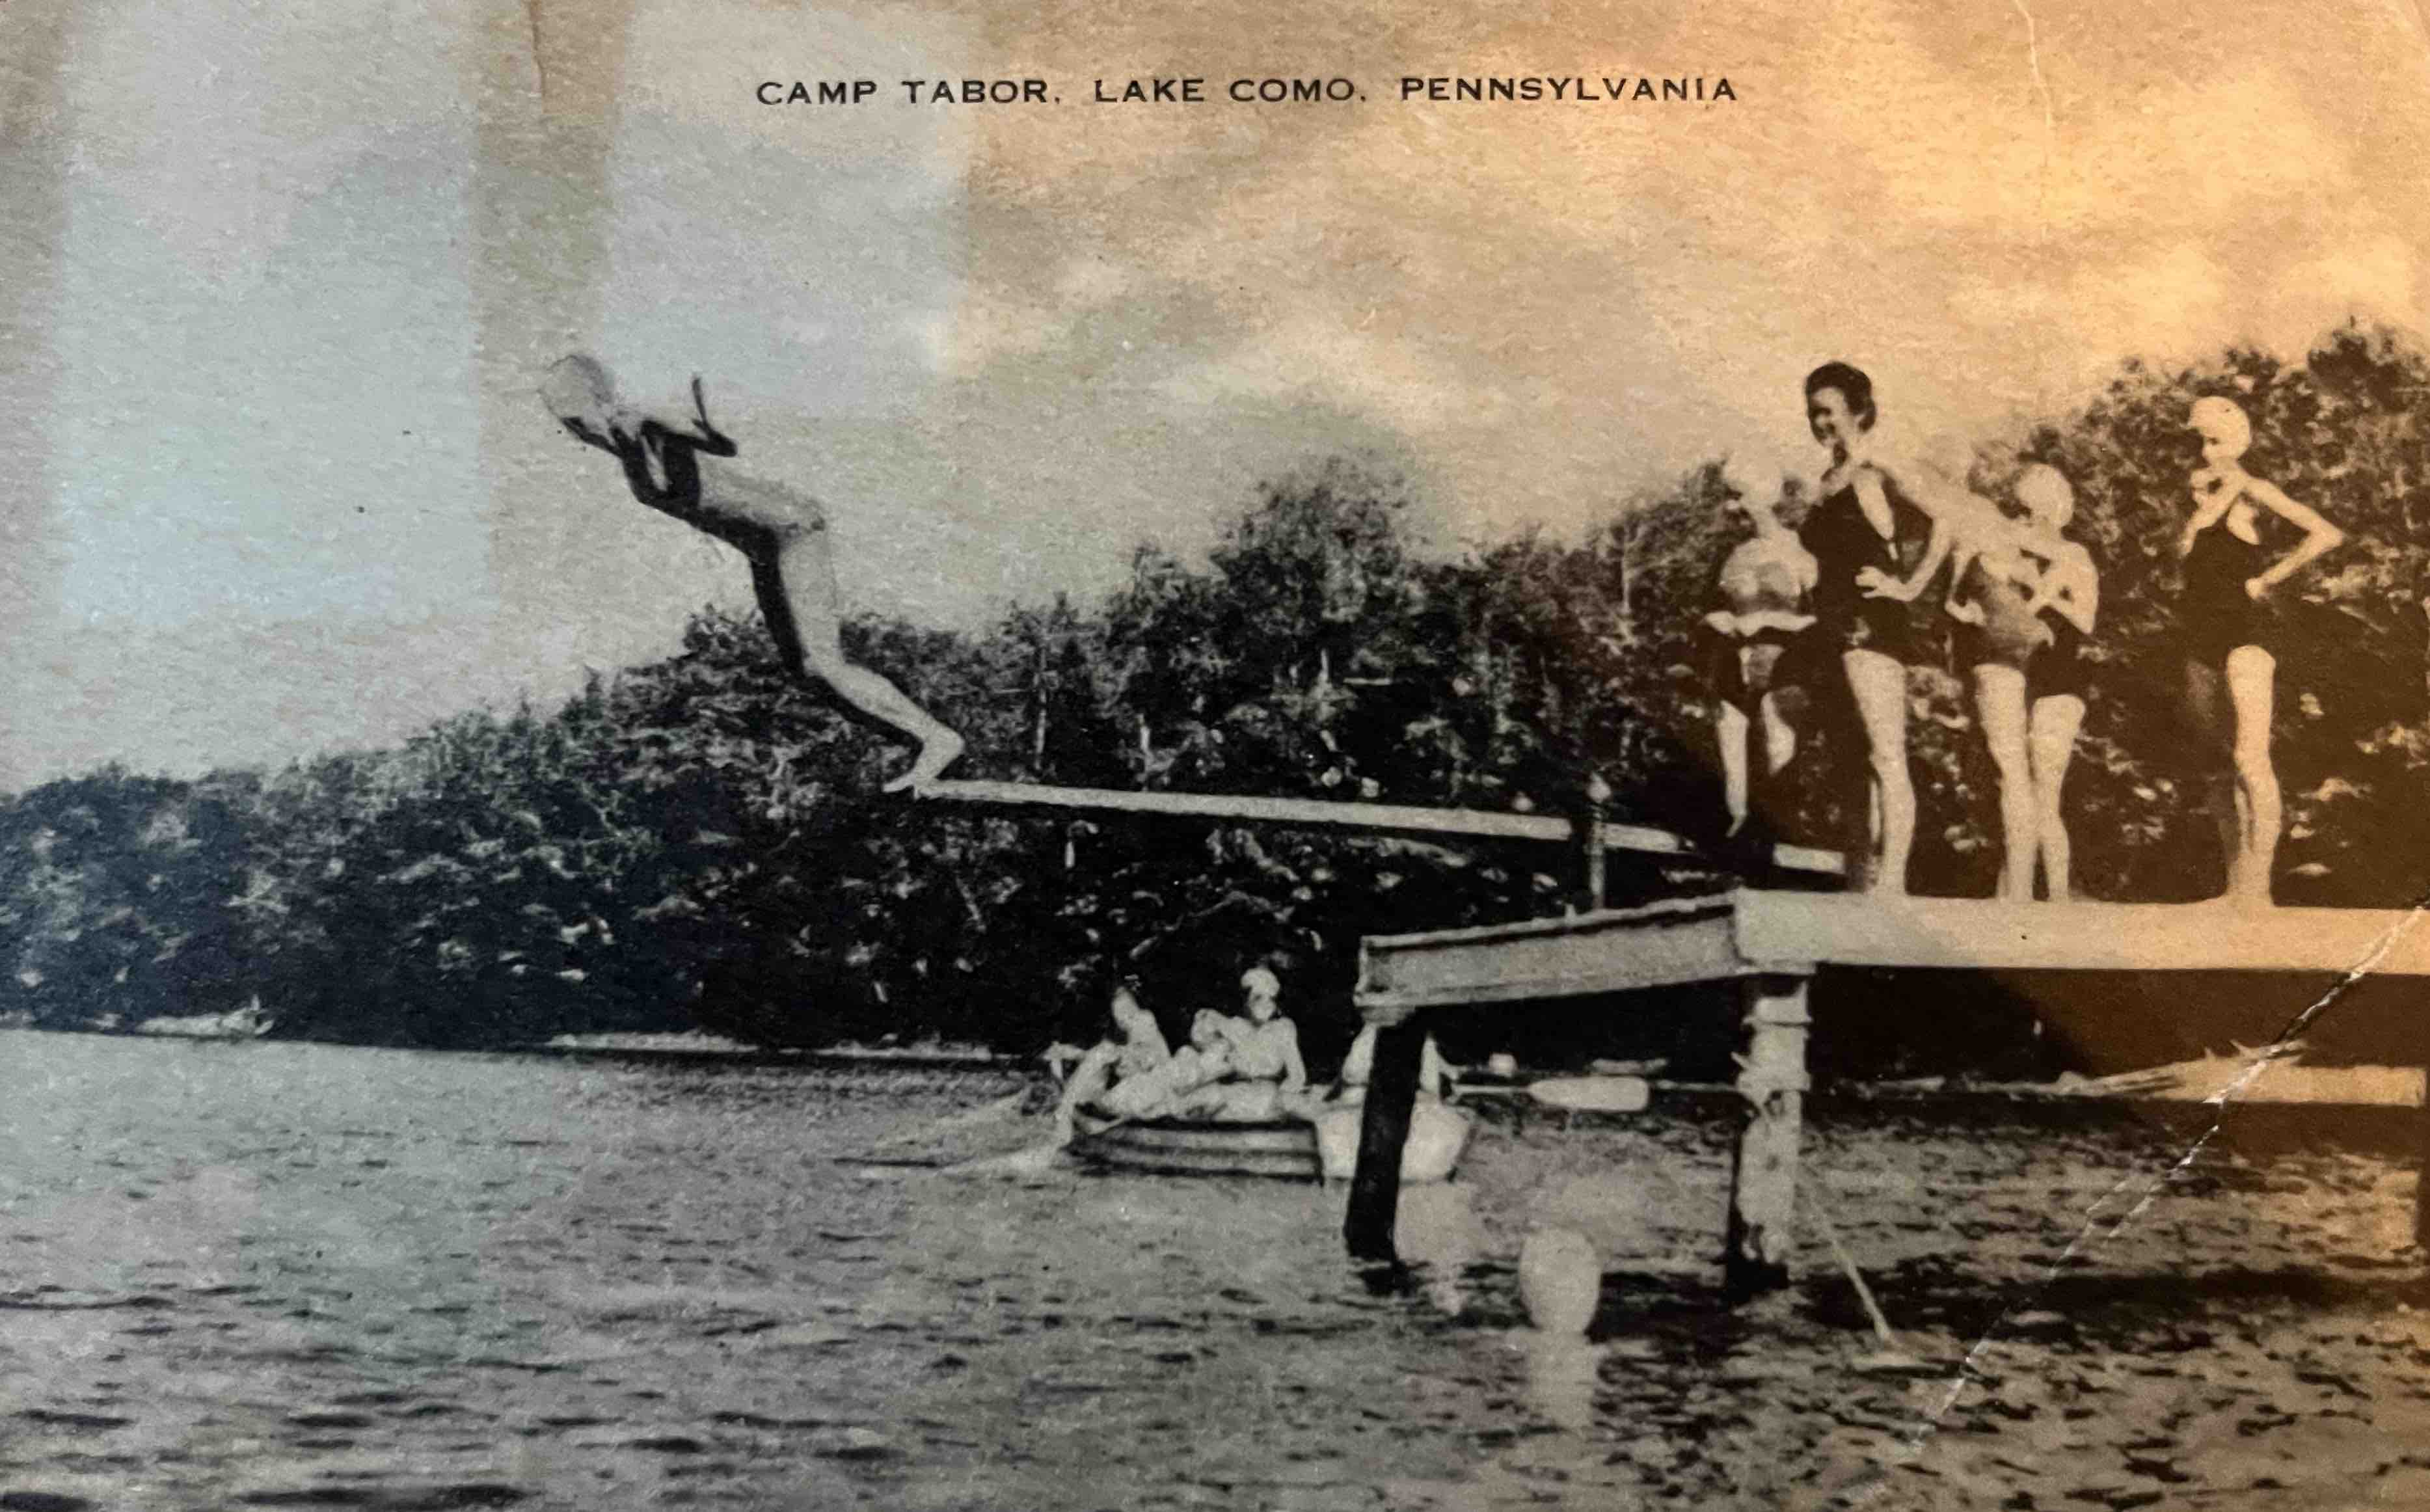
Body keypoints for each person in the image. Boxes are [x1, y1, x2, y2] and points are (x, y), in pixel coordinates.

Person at [538, 354, 965, 794]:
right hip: (764, 551)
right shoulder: (621, 442)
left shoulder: (640, 424)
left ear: (599, 400)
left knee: (824, 664)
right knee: (807, 672)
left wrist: (676, 422)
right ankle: (915, 742)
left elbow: (719, 445)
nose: (575, 434)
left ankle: (937, 738)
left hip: (792, 534)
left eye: (574, 420)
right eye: (565, 425)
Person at [1796, 362, 1958, 895]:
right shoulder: (1826, 480)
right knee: (1849, 756)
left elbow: (1948, 520)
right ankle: (1859, 879)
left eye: (1830, 411)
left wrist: (1909, 587)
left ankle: (1892, 881)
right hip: (1830, 623)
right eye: (1813, 412)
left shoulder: (1878, 466)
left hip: (1869, 621)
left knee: (1885, 750)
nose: (1821, 422)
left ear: (1860, 411)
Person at [2176, 396, 2342, 905]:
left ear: (2238, 440)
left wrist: (2267, 579)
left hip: (2246, 634)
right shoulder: (2194, 509)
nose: (2206, 451)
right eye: (2199, 440)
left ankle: (2258, 888)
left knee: (2250, 755)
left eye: (2215, 439)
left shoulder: (2251, 489)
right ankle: (2235, 886)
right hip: (2198, 637)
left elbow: (2325, 533)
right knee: (2215, 765)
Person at [1943, 464, 2099, 898]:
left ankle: (2059, 897)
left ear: (2053, 509)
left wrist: (2046, 593)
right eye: (2022, 510)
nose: (2026, 520)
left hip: (2059, 675)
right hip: (2020, 669)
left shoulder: (2074, 555)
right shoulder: (2014, 550)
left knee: (2043, 789)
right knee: (2010, 781)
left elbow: (2086, 621)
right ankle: (2013, 891)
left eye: (2033, 511)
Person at [1703, 454, 1818, 868]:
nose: (1733, 508)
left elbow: (1821, 616)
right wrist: (1723, 620)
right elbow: (1710, 609)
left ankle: (1773, 848)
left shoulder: (1800, 551)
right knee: (1731, 761)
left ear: (1763, 496)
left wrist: (1770, 621)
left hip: (1781, 661)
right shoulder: (1732, 556)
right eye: (1730, 498)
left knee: (1778, 751)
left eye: (1739, 497)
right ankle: (1736, 845)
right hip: (1730, 661)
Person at [1049, 981, 1170, 1143]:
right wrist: (1075, 1054)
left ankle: (1068, 1110)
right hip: (1145, 1092)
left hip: (1156, 1092)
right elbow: (1126, 1057)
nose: (1122, 1021)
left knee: (1104, 1054)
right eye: (1119, 1015)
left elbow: (1145, 1061)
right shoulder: (1136, 1030)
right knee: (1102, 1058)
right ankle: (1070, 1109)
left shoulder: (1144, 1020)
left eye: (1126, 1012)